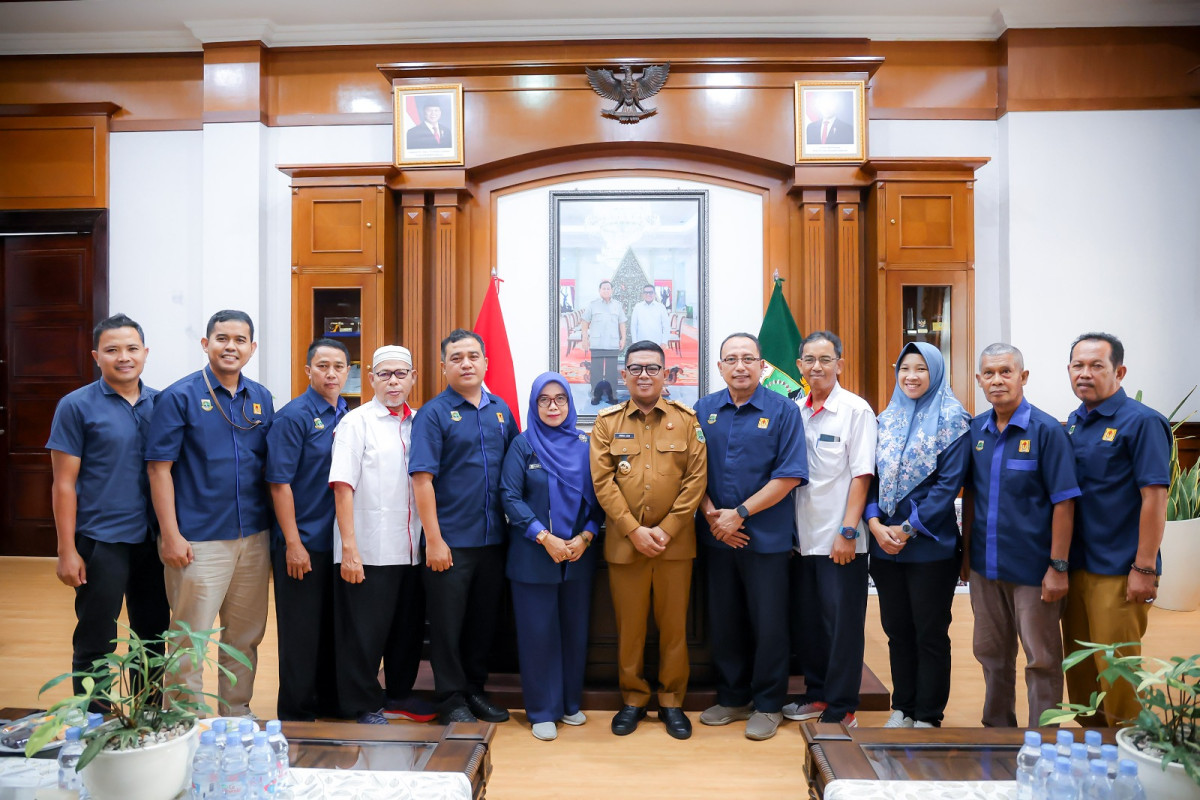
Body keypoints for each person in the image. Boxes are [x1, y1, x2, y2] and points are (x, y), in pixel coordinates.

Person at [146, 309, 274, 716]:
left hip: (253, 536)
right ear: (206, 344)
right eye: (222, 338)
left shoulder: (261, 398)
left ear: (252, 348)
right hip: (198, 538)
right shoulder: (178, 397)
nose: (230, 347)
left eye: (240, 340)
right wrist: (170, 534)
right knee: (190, 638)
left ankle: (236, 713)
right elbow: (158, 469)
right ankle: (185, 720)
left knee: (246, 635)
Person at [46, 313, 169, 695]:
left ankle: (147, 715)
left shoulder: (163, 403)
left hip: (153, 540)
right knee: (96, 638)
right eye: (113, 350)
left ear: (145, 352)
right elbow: (63, 483)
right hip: (101, 540)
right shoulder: (75, 406)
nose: (124, 357)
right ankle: (94, 719)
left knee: (152, 637)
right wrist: (66, 550)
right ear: (96, 356)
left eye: (132, 348)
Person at [590, 340, 707, 739]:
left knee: (674, 628)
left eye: (652, 368)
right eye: (636, 369)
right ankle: (634, 699)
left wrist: (667, 529)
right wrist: (634, 529)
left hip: (675, 545)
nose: (644, 375)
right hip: (626, 544)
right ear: (623, 375)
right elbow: (603, 482)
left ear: (665, 374)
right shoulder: (606, 422)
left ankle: (672, 701)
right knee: (630, 628)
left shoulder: (686, 420)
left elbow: (695, 481)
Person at [694, 333, 808, 741]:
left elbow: (789, 475)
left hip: (766, 539)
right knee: (724, 622)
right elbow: (691, 472)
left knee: (769, 625)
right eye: (731, 359)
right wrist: (713, 516)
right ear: (719, 367)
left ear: (762, 365)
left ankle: (768, 703)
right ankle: (732, 697)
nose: (740, 366)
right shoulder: (704, 409)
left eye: (748, 358)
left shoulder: (783, 410)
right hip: (716, 537)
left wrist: (739, 514)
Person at [963, 343, 1081, 727]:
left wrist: (1058, 566)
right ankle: (997, 730)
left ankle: (1043, 739)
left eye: (1006, 372)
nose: (997, 380)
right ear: (979, 380)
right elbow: (972, 497)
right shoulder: (975, 430)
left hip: (1034, 571)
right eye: (989, 373)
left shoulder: (1047, 431)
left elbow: (1064, 502)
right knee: (991, 654)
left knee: (1041, 659)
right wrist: (967, 558)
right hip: (986, 568)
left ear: (1023, 377)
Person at [409, 329, 520, 724]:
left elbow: (517, 469)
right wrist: (434, 540)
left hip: (494, 540)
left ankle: (474, 690)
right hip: (450, 542)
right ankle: (450, 698)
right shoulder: (433, 414)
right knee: (447, 626)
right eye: (456, 358)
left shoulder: (501, 410)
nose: (466, 363)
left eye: (473, 356)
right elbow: (422, 480)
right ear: (444, 367)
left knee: (481, 624)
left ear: (486, 362)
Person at [1062, 332, 1170, 726]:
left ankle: (1129, 745)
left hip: (1119, 569)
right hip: (1076, 565)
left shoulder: (1142, 422)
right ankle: (1092, 745)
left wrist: (1144, 567)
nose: (1085, 373)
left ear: (1119, 372)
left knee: (1117, 671)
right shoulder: (1075, 422)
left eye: (1096, 366)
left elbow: (1155, 498)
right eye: (1078, 365)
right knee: (1080, 670)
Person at [865, 341, 970, 728]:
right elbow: (871, 479)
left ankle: (927, 714)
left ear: (936, 372)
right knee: (897, 630)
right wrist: (875, 523)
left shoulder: (954, 420)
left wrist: (906, 529)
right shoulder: (886, 419)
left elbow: (947, 487)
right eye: (905, 368)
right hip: (885, 548)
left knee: (930, 632)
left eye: (921, 369)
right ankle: (903, 707)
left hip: (930, 548)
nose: (911, 376)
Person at [329, 345, 431, 725]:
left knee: (406, 631)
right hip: (368, 548)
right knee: (363, 635)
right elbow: (342, 486)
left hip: (411, 548)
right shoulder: (356, 423)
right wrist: (349, 550)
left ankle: (398, 696)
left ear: (413, 378)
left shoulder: (420, 422)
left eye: (400, 374)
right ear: (371, 378)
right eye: (385, 374)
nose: (393, 381)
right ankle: (362, 705)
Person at [500, 372, 604, 741]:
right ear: (534, 404)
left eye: (560, 398)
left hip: (578, 556)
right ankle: (543, 710)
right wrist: (544, 538)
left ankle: (569, 703)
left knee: (574, 633)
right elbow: (509, 496)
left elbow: (601, 497)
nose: (553, 406)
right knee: (538, 635)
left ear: (570, 403)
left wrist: (586, 536)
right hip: (533, 556)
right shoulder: (523, 444)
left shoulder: (585, 444)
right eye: (544, 399)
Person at [785, 331, 877, 728]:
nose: (817, 367)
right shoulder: (794, 410)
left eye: (825, 359)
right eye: (809, 360)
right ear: (799, 366)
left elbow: (862, 474)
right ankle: (818, 693)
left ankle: (843, 707)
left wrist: (848, 531)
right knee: (810, 624)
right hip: (800, 539)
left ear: (840, 364)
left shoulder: (856, 410)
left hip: (840, 539)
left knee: (842, 628)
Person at [265, 338, 349, 721]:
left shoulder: (346, 413)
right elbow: (279, 484)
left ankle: (329, 702)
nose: (331, 373)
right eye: (323, 366)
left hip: (337, 543)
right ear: (308, 371)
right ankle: (296, 712)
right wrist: (293, 544)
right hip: (303, 543)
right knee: (300, 633)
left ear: (348, 372)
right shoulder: (293, 417)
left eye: (338, 367)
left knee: (332, 630)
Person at [579, 279, 627, 405]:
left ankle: (612, 394)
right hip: (597, 343)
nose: (606, 290)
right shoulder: (593, 305)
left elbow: (622, 323)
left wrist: (623, 338)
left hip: (612, 343)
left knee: (612, 372)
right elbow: (585, 322)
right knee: (596, 371)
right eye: (603, 288)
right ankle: (596, 394)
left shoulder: (617, 305)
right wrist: (585, 338)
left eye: (608, 288)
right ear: (599, 290)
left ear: (612, 291)